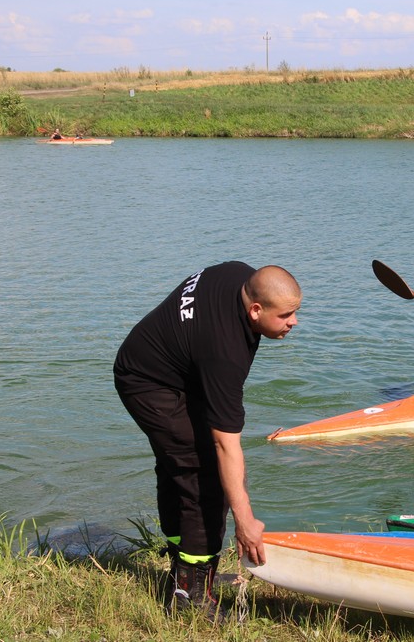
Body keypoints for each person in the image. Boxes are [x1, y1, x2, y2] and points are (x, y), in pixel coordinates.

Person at [113, 262, 301, 620]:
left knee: (179, 468)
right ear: (256, 309)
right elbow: (225, 445)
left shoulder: (238, 274)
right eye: (287, 315)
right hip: (146, 381)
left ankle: (185, 573)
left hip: (176, 369)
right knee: (204, 477)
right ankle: (191, 598)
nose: (294, 322)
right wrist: (245, 520)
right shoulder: (225, 351)